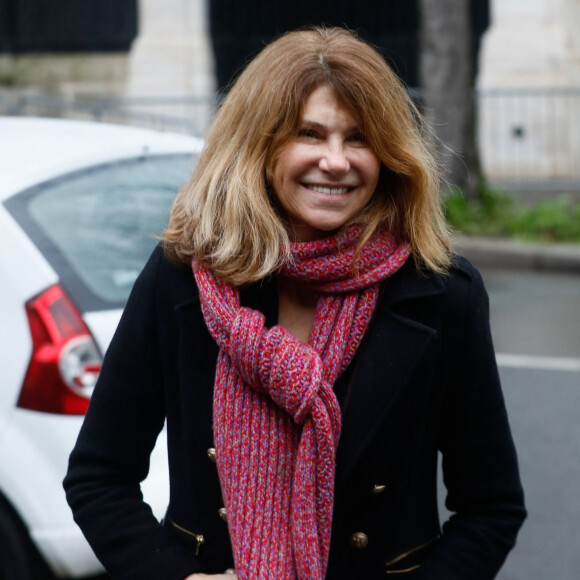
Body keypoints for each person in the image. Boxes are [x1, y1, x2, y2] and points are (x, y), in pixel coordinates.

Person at [64, 26, 526, 579]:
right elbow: (99, 475)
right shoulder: (184, 279)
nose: (336, 161)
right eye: (310, 133)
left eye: (359, 138)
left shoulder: (440, 292)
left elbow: (491, 507)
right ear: (258, 144)